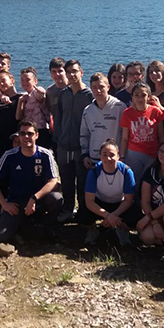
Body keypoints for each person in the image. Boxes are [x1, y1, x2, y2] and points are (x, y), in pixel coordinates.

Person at [0, 120, 63, 243]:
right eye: (22, 134)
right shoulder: (9, 155)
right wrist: (4, 204)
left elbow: (53, 181)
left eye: (30, 133)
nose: (26, 137)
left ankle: (48, 226)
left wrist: (34, 198)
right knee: (2, 237)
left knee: (56, 198)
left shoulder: (45, 154)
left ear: (37, 135)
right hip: (16, 203)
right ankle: (25, 225)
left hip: (38, 200)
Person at [81, 139, 141, 246]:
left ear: (118, 156)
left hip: (120, 204)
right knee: (83, 215)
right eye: (104, 155)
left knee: (135, 218)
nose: (108, 158)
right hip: (100, 203)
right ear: (100, 156)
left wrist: (114, 215)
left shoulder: (126, 171)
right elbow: (89, 201)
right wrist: (108, 215)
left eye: (112, 155)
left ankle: (121, 228)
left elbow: (128, 200)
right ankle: (93, 230)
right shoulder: (94, 171)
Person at [56, 60, 94, 222]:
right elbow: (58, 118)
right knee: (66, 181)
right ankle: (67, 209)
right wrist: (56, 141)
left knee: (83, 182)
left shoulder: (89, 95)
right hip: (64, 145)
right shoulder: (63, 94)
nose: (72, 75)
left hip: (81, 147)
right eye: (69, 72)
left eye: (75, 71)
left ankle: (83, 213)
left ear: (81, 72)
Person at [119, 82, 164, 189]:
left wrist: (161, 152)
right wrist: (122, 157)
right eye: (136, 95)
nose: (140, 98)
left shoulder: (156, 112)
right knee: (134, 182)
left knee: (150, 183)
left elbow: (160, 135)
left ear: (149, 97)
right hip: (134, 153)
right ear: (132, 97)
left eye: (143, 95)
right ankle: (134, 204)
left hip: (152, 153)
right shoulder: (127, 113)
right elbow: (125, 138)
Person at [80, 73, 126, 173]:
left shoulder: (120, 107)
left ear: (108, 87)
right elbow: (84, 134)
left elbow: (125, 134)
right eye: (94, 87)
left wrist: (122, 156)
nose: (98, 91)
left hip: (114, 159)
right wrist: (85, 154)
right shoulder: (88, 110)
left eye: (101, 87)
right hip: (94, 158)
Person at [16, 67, 51, 148]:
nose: (24, 82)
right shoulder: (23, 96)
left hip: (40, 130)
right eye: (22, 80)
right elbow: (18, 117)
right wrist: (20, 102)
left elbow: (41, 96)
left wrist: (41, 93)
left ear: (35, 81)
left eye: (28, 80)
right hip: (27, 130)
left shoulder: (36, 92)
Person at [45, 57, 68, 150]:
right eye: (53, 71)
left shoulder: (74, 88)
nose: (57, 74)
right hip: (57, 135)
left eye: (60, 71)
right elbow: (50, 110)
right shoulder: (50, 92)